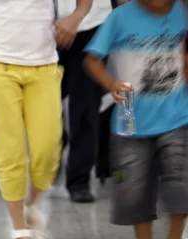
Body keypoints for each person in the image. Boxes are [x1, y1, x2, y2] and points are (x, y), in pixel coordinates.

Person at [0, 0, 92, 239]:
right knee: (12, 154)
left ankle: (32, 203)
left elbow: (85, 3)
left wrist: (75, 17)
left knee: (48, 149)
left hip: (44, 66)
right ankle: (20, 231)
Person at [84, 0, 188, 239]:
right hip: (131, 117)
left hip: (178, 115)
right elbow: (91, 59)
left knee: (181, 184)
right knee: (134, 191)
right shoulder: (120, 17)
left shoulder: (183, 12)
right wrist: (111, 84)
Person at [58, 0, 112, 203]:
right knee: (44, 102)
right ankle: (53, 147)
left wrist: (76, 17)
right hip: (43, 25)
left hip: (92, 24)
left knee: (85, 107)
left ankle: (79, 180)